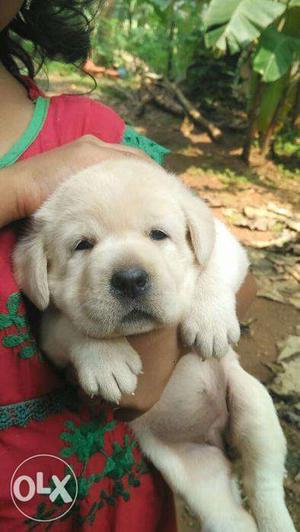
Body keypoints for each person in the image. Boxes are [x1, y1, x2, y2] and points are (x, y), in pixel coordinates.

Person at [0, 0, 256, 529]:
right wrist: (20, 188)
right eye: (84, 244)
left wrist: (169, 341)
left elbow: (216, 250)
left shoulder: (96, 134)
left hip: (119, 500)